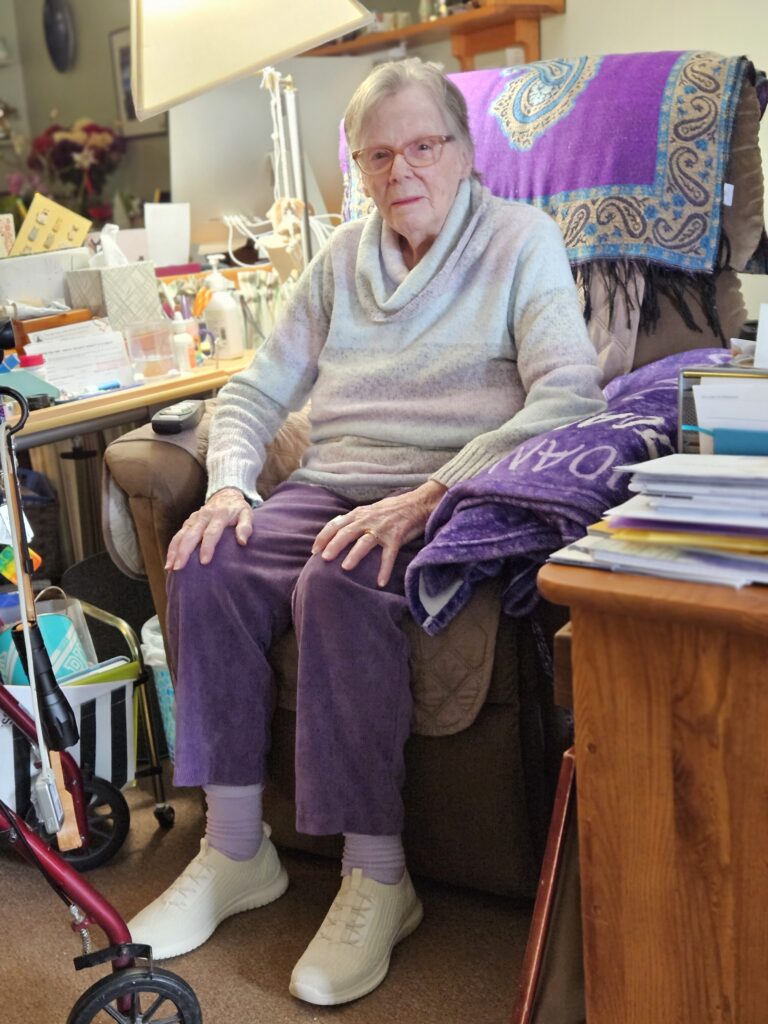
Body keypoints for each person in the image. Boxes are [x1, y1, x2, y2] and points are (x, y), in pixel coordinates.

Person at [128, 57, 606, 1005]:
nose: (401, 171)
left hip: (450, 490)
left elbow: (570, 396)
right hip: (334, 478)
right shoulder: (341, 259)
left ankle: (378, 876)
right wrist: (228, 487)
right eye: (377, 154)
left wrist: (435, 492)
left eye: (422, 146)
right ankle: (235, 850)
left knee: (337, 584)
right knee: (208, 560)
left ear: (464, 154)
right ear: (359, 166)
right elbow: (255, 392)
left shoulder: (522, 242)